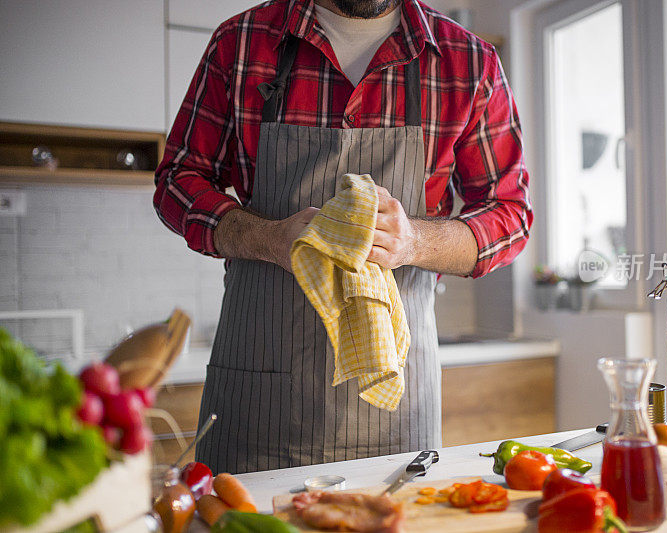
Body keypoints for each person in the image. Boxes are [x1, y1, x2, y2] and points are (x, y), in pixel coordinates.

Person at [153, 0, 532, 474]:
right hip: (259, 402)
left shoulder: (467, 62)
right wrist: (271, 239)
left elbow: (510, 215)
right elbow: (176, 182)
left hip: (397, 415)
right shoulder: (242, 42)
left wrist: (414, 241)